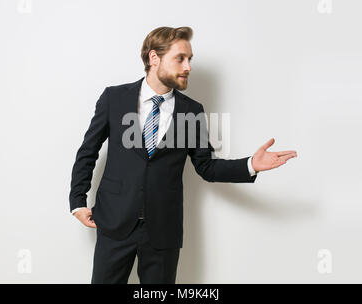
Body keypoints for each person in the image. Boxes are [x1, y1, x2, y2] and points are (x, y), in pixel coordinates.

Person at [68, 26, 297, 284]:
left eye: (190, 59)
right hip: (114, 222)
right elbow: (88, 151)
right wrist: (78, 201)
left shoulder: (192, 111)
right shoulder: (114, 98)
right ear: (154, 58)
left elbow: (206, 167)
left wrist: (250, 165)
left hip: (162, 230)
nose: (188, 66)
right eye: (180, 58)